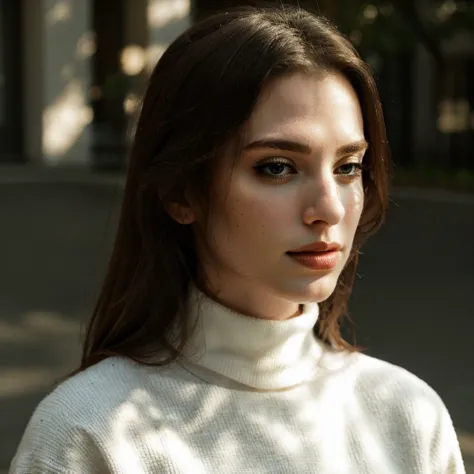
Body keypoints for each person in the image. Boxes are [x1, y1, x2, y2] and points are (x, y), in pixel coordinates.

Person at [10, 4, 465, 474]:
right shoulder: (89, 434)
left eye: (348, 167)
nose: (329, 208)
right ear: (180, 192)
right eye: (277, 167)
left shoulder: (406, 415)